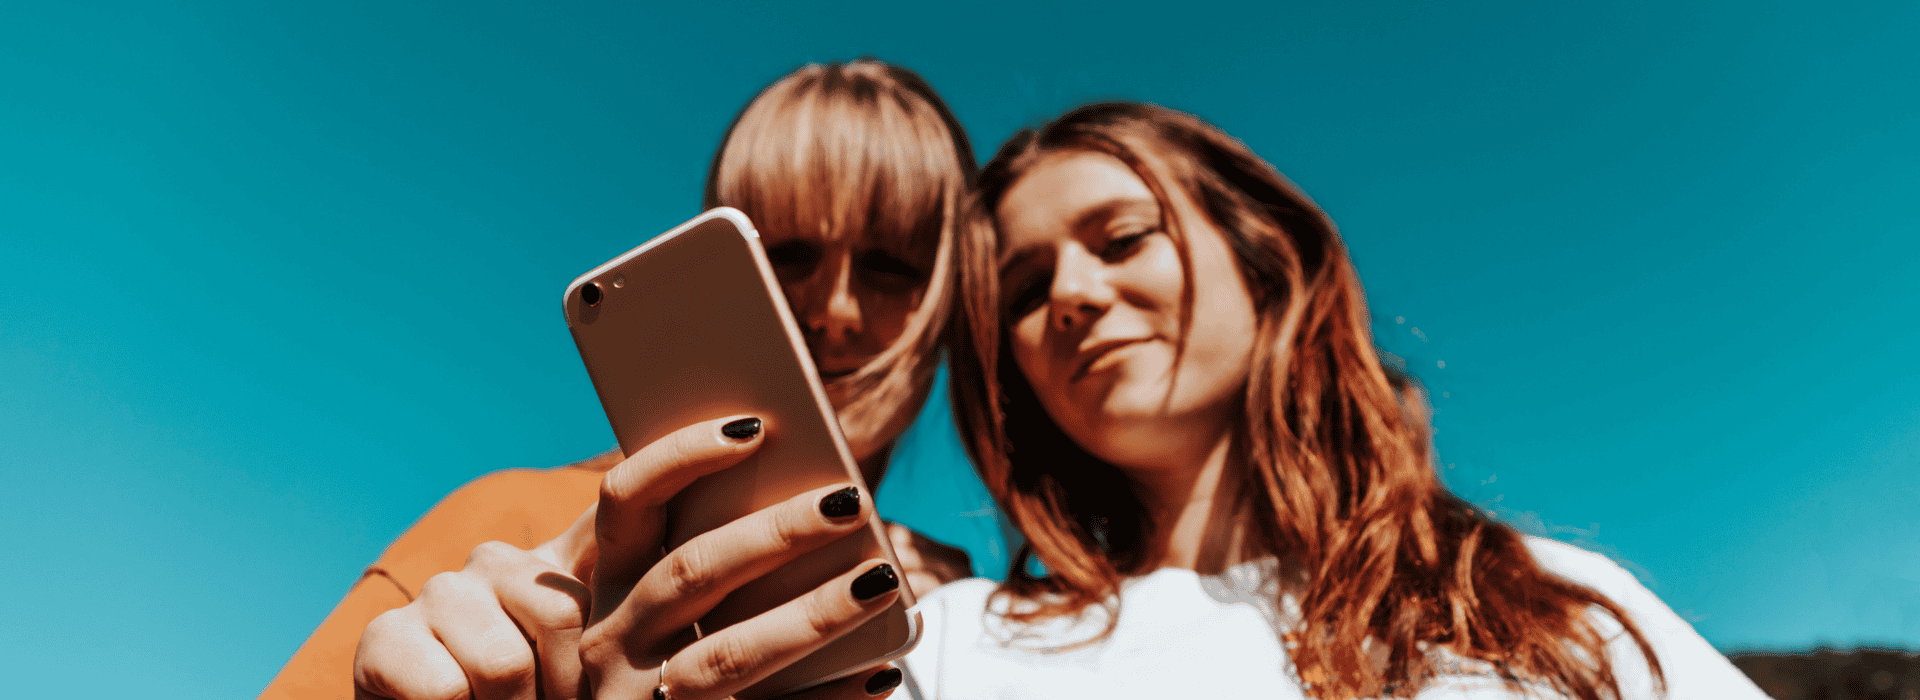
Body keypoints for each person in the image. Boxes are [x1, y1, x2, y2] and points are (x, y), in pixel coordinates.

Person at [901, 101, 1770, 699]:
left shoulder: (1550, 602)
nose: (1073, 294)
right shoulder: (951, 646)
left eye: (1123, 238)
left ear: (1265, 261)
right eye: (1022, 290)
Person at [263, 59, 1000, 700]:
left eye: (892, 265)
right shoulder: (513, 525)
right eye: (789, 254)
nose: (837, 311)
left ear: (949, 302)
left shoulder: (964, 602)